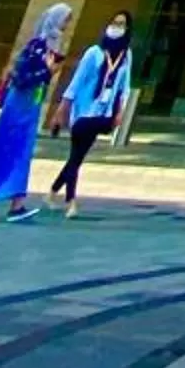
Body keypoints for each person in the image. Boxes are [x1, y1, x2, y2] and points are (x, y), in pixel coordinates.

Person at [0, 3, 72, 222]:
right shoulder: (36, 45)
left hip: (31, 106)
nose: (68, 25)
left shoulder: (52, 46)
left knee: (22, 154)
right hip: (18, 108)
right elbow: (22, 78)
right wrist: (47, 71)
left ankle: (16, 205)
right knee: (4, 150)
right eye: (66, 19)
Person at [48, 11, 133, 216]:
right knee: (77, 156)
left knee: (77, 156)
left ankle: (52, 193)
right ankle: (70, 202)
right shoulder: (94, 52)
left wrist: (120, 112)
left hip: (104, 111)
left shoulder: (126, 55)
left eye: (121, 24)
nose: (116, 27)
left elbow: (124, 86)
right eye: (114, 22)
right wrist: (62, 108)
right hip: (84, 110)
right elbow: (76, 82)